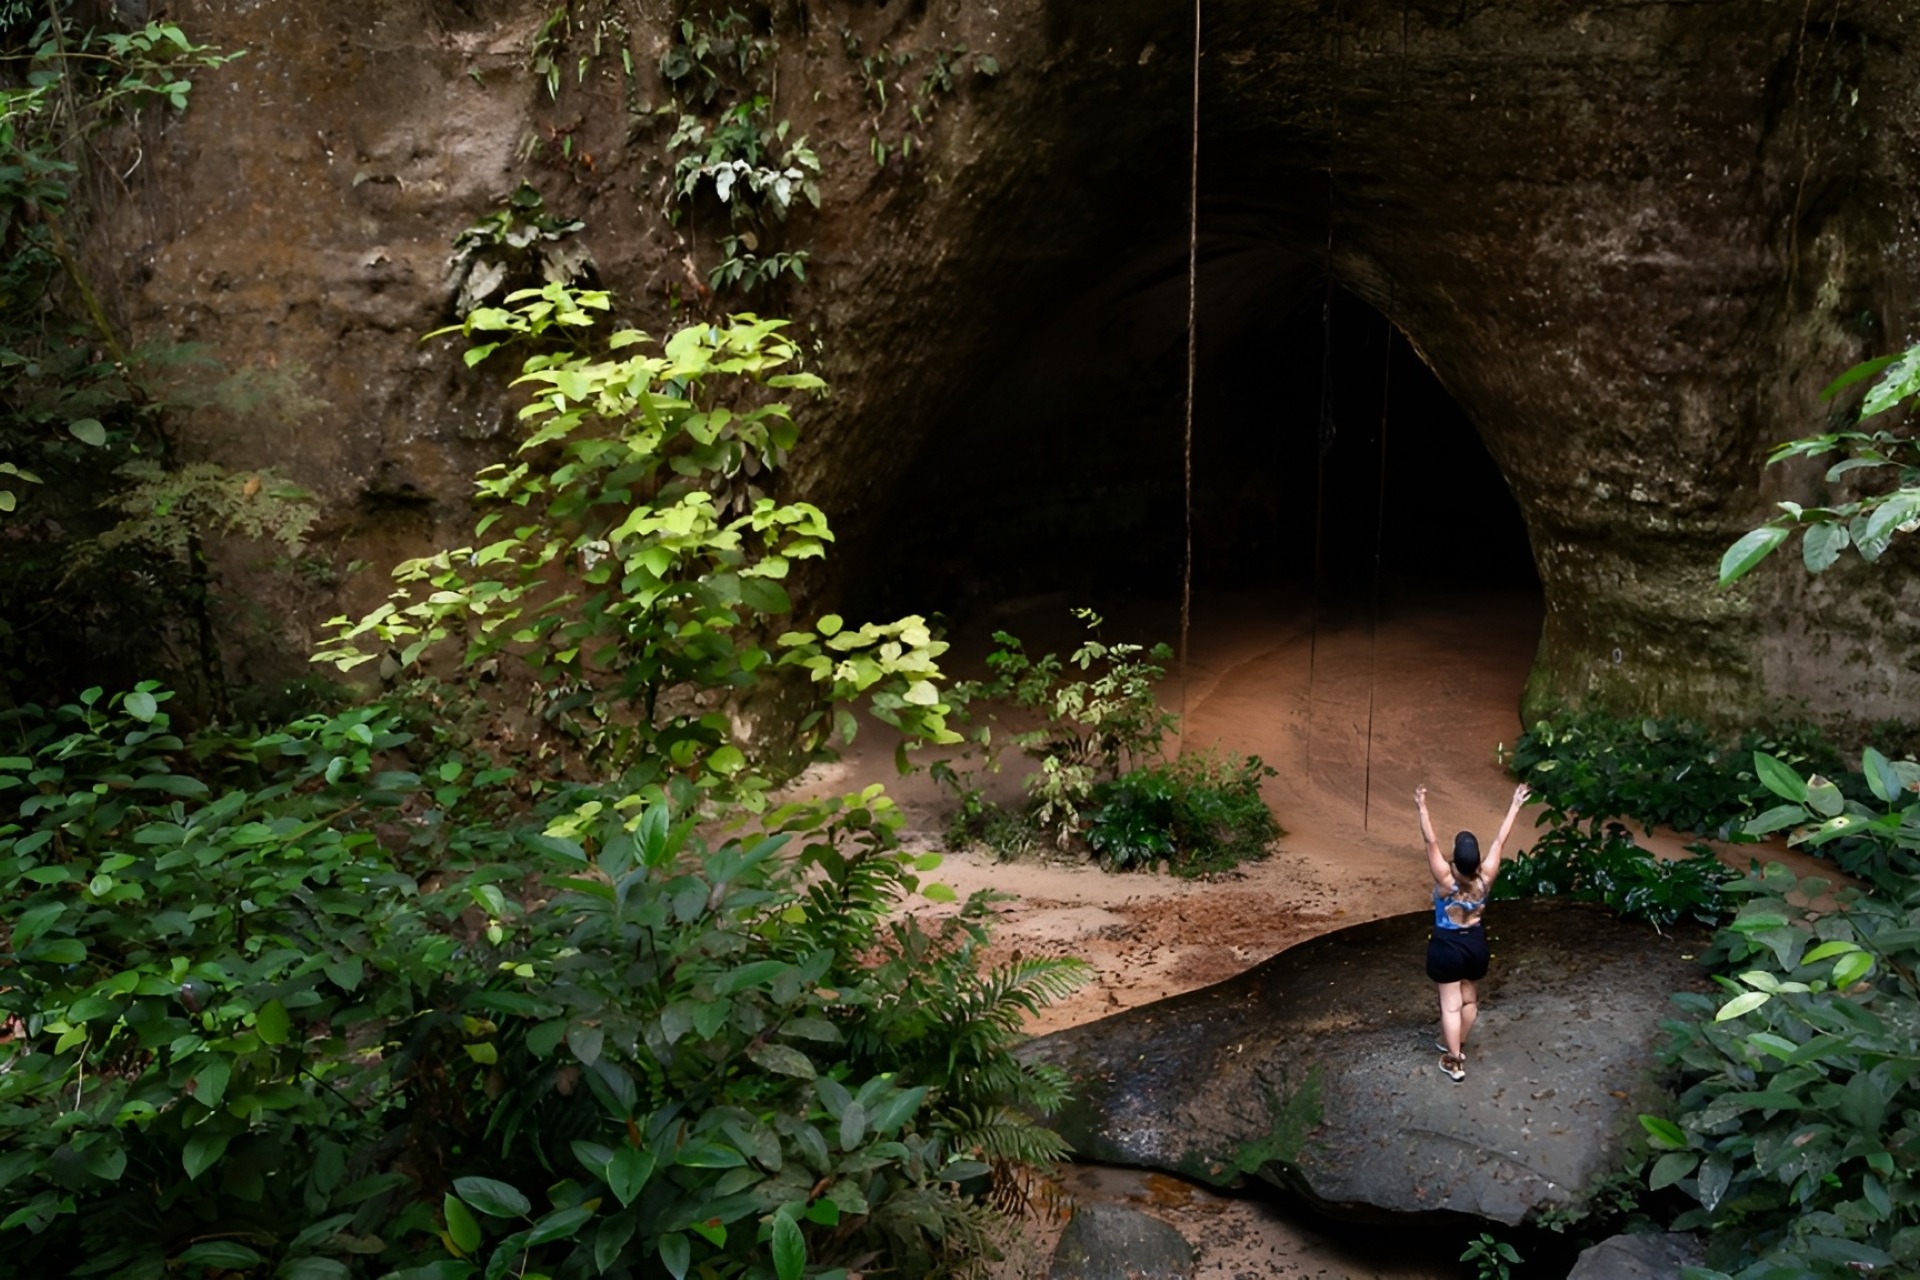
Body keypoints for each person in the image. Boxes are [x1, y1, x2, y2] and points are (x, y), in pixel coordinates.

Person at [1415, 781, 1530, 1082]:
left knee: (1450, 1006)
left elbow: (1430, 842)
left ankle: (1453, 1060)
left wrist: (1422, 806)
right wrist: (1515, 805)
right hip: (1476, 944)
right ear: (1477, 860)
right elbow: (1500, 842)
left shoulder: (1445, 880)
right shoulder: (1487, 876)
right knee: (1469, 1001)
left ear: (1456, 858)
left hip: (1447, 946)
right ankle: (1456, 1043)